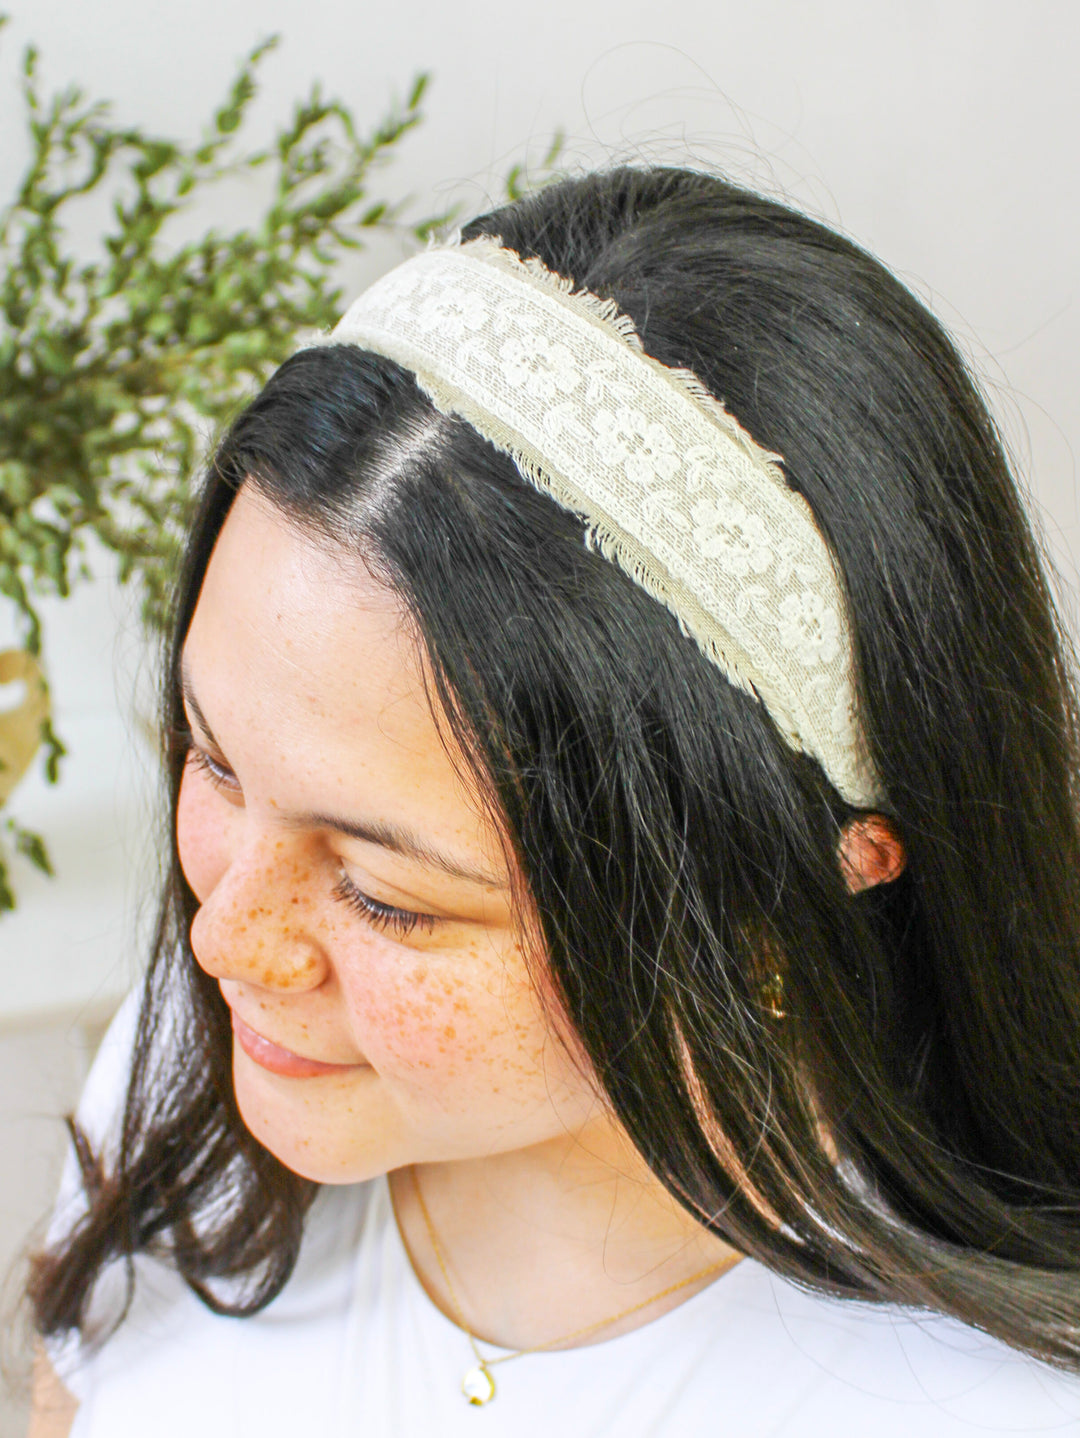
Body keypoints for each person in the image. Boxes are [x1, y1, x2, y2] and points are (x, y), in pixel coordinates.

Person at [25, 166, 1080, 1436]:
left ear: (799, 879)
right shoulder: (204, 1067)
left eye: (386, 897)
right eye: (213, 761)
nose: (222, 940)